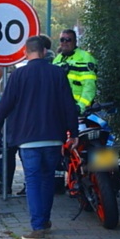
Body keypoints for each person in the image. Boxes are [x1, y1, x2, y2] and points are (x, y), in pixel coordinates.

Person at [0, 36, 78, 239]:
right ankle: (45, 220)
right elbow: (68, 104)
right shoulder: (58, 73)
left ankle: (37, 228)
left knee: (33, 181)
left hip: (28, 138)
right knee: (47, 179)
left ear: (25, 52)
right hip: (54, 137)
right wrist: (72, 133)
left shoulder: (19, 75)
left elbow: (5, 104)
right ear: (45, 52)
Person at [52, 29, 97, 193]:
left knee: (80, 147)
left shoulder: (85, 58)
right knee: (59, 148)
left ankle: (86, 176)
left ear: (75, 41)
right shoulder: (57, 60)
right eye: (62, 39)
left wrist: (81, 106)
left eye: (68, 39)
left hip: (79, 112)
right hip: (59, 113)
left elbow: (89, 87)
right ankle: (59, 186)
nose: (65, 42)